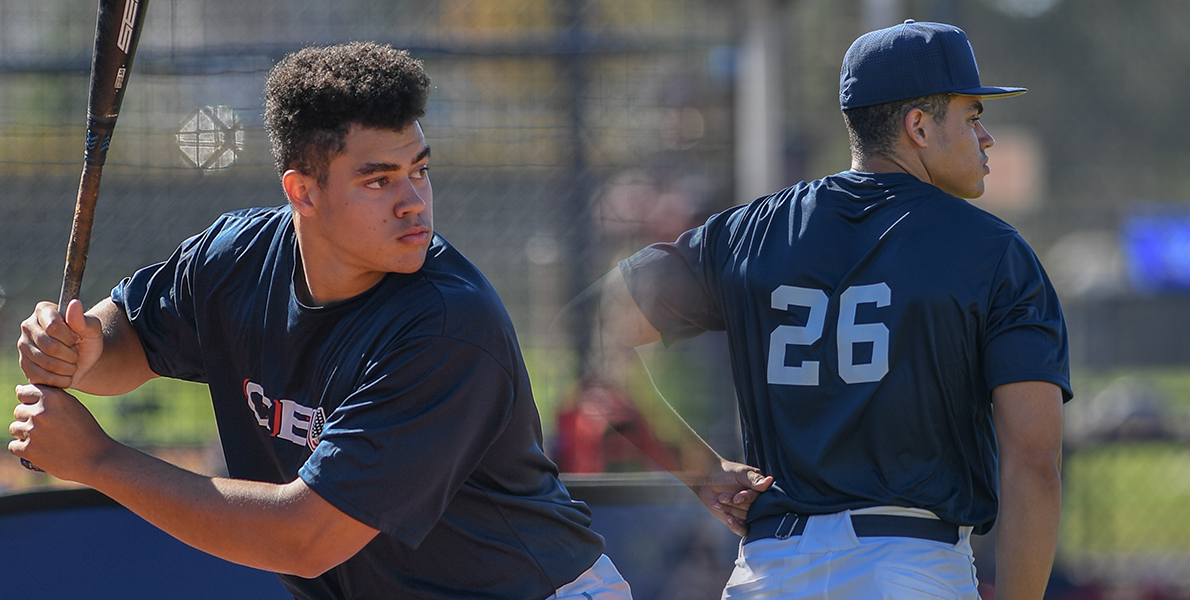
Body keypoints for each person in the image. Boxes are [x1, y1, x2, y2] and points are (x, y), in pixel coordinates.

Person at [10, 41, 767, 600]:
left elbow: (304, 537)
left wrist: (99, 462)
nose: (413, 201)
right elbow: (126, 342)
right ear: (301, 192)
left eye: (420, 170)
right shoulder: (235, 256)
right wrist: (75, 349)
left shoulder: (445, 325)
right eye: (378, 179)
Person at [581, 20, 1070, 599]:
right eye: (971, 116)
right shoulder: (993, 252)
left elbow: (616, 318)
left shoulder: (753, 231)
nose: (985, 137)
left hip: (770, 572)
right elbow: (1033, 463)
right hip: (909, 567)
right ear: (918, 126)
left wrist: (701, 468)